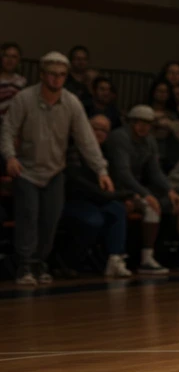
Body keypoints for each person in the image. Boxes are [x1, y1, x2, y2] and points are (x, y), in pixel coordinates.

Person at [0, 50, 113, 286]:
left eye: (61, 75)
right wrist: (10, 157)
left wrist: (101, 170)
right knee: (28, 217)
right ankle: (25, 265)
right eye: (51, 74)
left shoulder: (71, 102)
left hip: (54, 171)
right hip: (26, 169)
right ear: (42, 74)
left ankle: (41, 263)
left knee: (50, 220)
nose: (56, 79)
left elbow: (86, 139)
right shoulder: (24, 99)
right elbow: (8, 129)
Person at [105, 104, 179, 273]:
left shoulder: (149, 140)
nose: (143, 127)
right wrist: (147, 194)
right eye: (139, 122)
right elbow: (122, 174)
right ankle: (146, 259)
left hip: (138, 189)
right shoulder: (119, 138)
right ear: (130, 122)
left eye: (148, 123)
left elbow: (155, 171)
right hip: (117, 190)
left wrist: (169, 190)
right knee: (151, 206)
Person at [62, 113, 131, 277]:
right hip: (73, 200)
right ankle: (71, 261)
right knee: (94, 220)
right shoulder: (74, 150)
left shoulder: (107, 153)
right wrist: (112, 195)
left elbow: (116, 180)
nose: (100, 133)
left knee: (118, 210)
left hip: (98, 201)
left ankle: (115, 259)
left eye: (105, 130)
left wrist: (122, 196)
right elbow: (77, 183)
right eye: (96, 128)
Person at [147, 79, 179, 171]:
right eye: (160, 91)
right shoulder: (146, 111)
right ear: (153, 92)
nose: (162, 94)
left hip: (167, 154)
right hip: (147, 151)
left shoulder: (173, 114)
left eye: (165, 92)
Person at [0, 41, 28, 128]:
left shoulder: (22, 82)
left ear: (18, 60)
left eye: (14, 57)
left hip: (13, 127)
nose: (10, 60)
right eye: (6, 56)